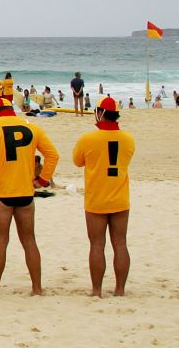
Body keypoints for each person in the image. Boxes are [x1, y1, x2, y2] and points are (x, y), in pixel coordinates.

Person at [0, 97, 58, 296]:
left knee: (0, 242)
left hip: (1, 194)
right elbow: (52, 155)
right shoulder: (32, 127)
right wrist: (42, 181)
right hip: (26, 192)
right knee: (29, 241)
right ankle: (36, 288)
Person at [72, 97, 135, 297]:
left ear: (100, 113)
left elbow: (77, 161)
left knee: (97, 244)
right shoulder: (128, 139)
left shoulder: (88, 139)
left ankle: (97, 290)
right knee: (120, 244)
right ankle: (120, 290)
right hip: (119, 197)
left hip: (97, 198)